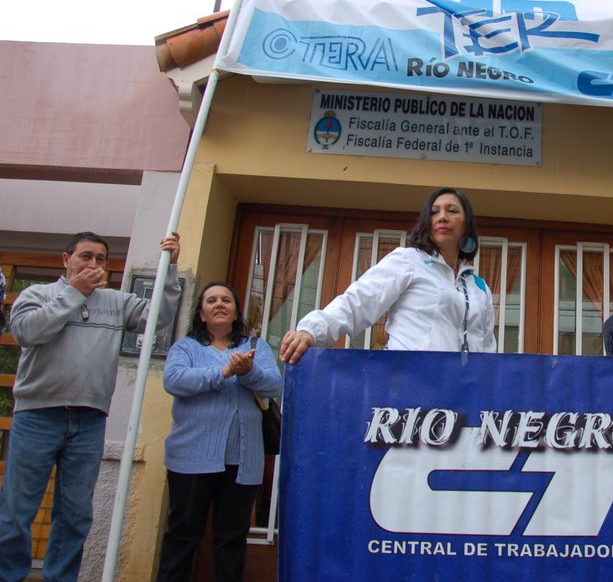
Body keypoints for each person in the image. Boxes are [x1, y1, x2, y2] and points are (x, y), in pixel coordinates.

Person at [0, 231, 182, 582]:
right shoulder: (37, 295)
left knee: (75, 514)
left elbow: (157, 316)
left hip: (89, 420)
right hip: (37, 415)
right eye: (86, 256)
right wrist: (73, 294)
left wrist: (170, 268)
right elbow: (26, 332)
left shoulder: (114, 301)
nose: (93, 264)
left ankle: (61, 577)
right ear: (65, 260)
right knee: (16, 509)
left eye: (100, 259)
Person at [280, 187, 496, 363]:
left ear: (467, 225)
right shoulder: (409, 260)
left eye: (452, 210)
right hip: (408, 389)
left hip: (463, 394)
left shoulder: (479, 287)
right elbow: (360, 301)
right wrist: (312, 331)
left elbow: (487, 347)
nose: (442, 217)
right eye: (434, 212)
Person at [155, 281, 281, 582]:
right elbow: (174, 380)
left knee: (232, 538)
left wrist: (248, 371)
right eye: (211, 300)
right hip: (191, 458)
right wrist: (225, 371)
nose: (219, 304)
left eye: (226, 299)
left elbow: (275, 384)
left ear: (237, 312)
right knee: (183, 534)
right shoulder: (185, 347)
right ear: (201, 314)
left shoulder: (254, 347)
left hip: (243, 460)